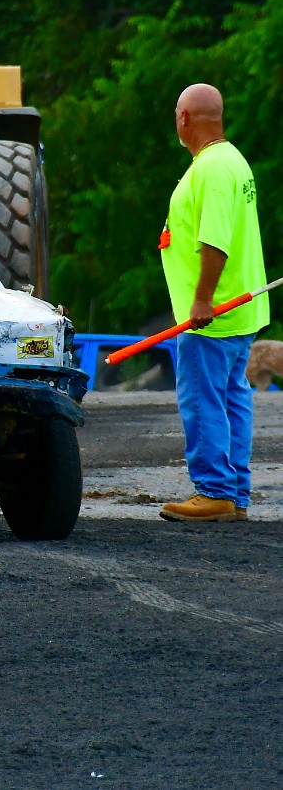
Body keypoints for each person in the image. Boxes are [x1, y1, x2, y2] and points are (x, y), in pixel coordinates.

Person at [158, 83, 268, 523]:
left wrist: (201, 300)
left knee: (204, 400)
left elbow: (215, 242)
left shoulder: (213, 169)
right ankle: (234, 493)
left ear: (184, 118)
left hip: (214, 316)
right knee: (232, 398)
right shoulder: (232, 161)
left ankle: (215, 492)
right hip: (236, 312)